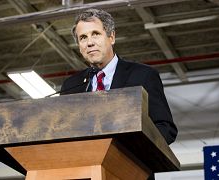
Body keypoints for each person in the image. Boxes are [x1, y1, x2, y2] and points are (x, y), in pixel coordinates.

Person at [60, 9, 177, 178]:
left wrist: (131, 152)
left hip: (132, 171)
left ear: (111, 37)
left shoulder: (143, 75)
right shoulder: (71, 85)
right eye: (83, 38)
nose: (89, 42)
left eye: (95, 34)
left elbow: (165, 128)